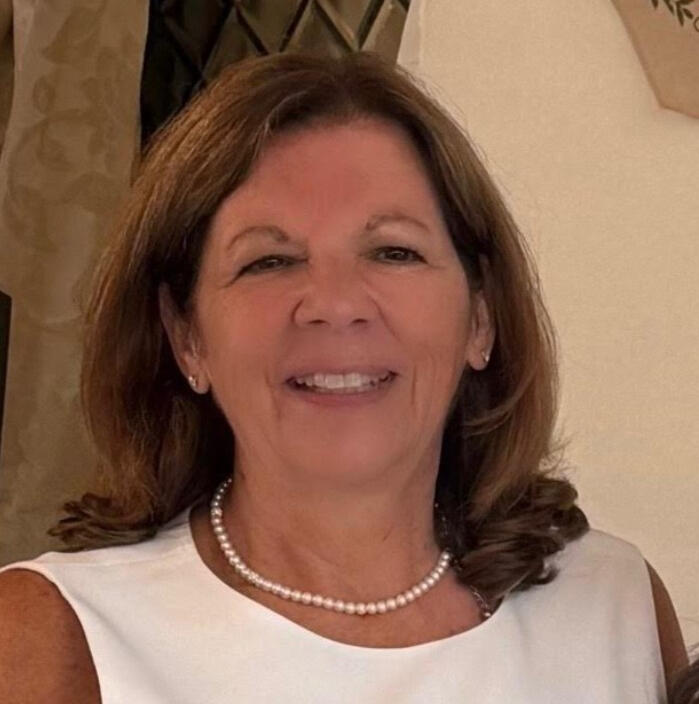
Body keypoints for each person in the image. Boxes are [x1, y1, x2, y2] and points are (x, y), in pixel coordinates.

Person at [0, 51, 688, 703]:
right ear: (186, 337)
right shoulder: (48, 636)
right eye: (268, 261)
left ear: (481, 318)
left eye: (393, 251)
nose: (334, 303)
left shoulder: (612, 603)